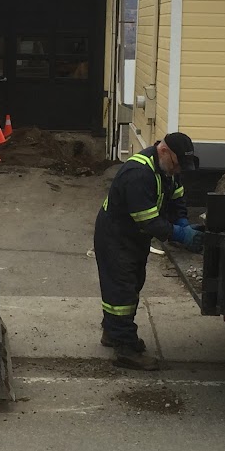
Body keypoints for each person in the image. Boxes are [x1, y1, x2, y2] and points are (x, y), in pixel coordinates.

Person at [93, 132, 203, 370]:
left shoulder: (167, 170)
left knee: (132, 283)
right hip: (116, 236)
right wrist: (181, 235)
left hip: (133, 236)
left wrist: (182, 221)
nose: (177, 170)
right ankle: (125, 349)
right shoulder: (138, 174)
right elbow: (149, 221)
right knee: (121, 291)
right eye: (176, 164)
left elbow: (176, 200)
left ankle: (113, 332)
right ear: (163, 151)